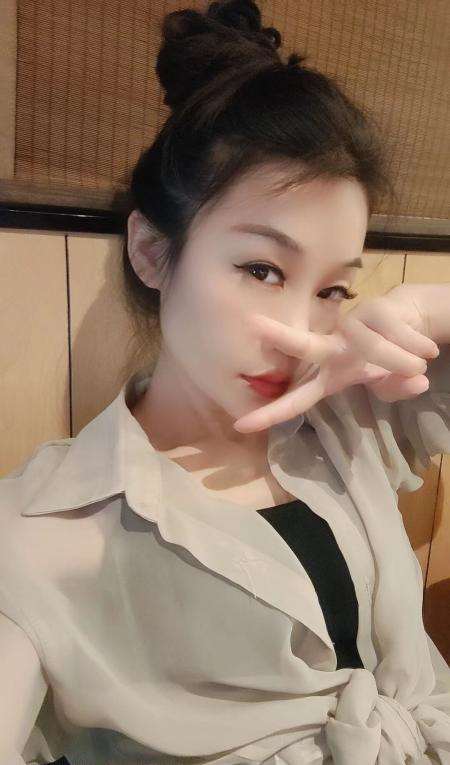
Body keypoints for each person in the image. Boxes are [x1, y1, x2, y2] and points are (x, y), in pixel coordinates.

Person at [1, 1, 450, 763]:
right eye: (262, 269)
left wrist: (429, 307)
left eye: (333, 289)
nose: (297, 330)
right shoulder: (45, 527)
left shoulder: (355, 418)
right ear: (152, 251)